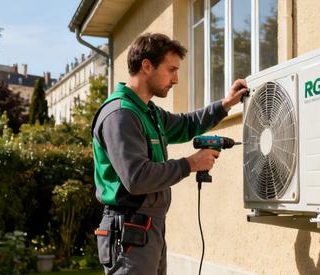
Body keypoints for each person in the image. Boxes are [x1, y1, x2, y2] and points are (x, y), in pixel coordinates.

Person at [91, 32, 247, 275]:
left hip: (149, 227)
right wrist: (191, 163)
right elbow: (137, 178)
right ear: (146, 66)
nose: (175, 79)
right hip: (129, 230)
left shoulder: (148, 112)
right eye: (171, 69)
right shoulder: (120, 115)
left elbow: (186, 124)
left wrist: (225, 104)